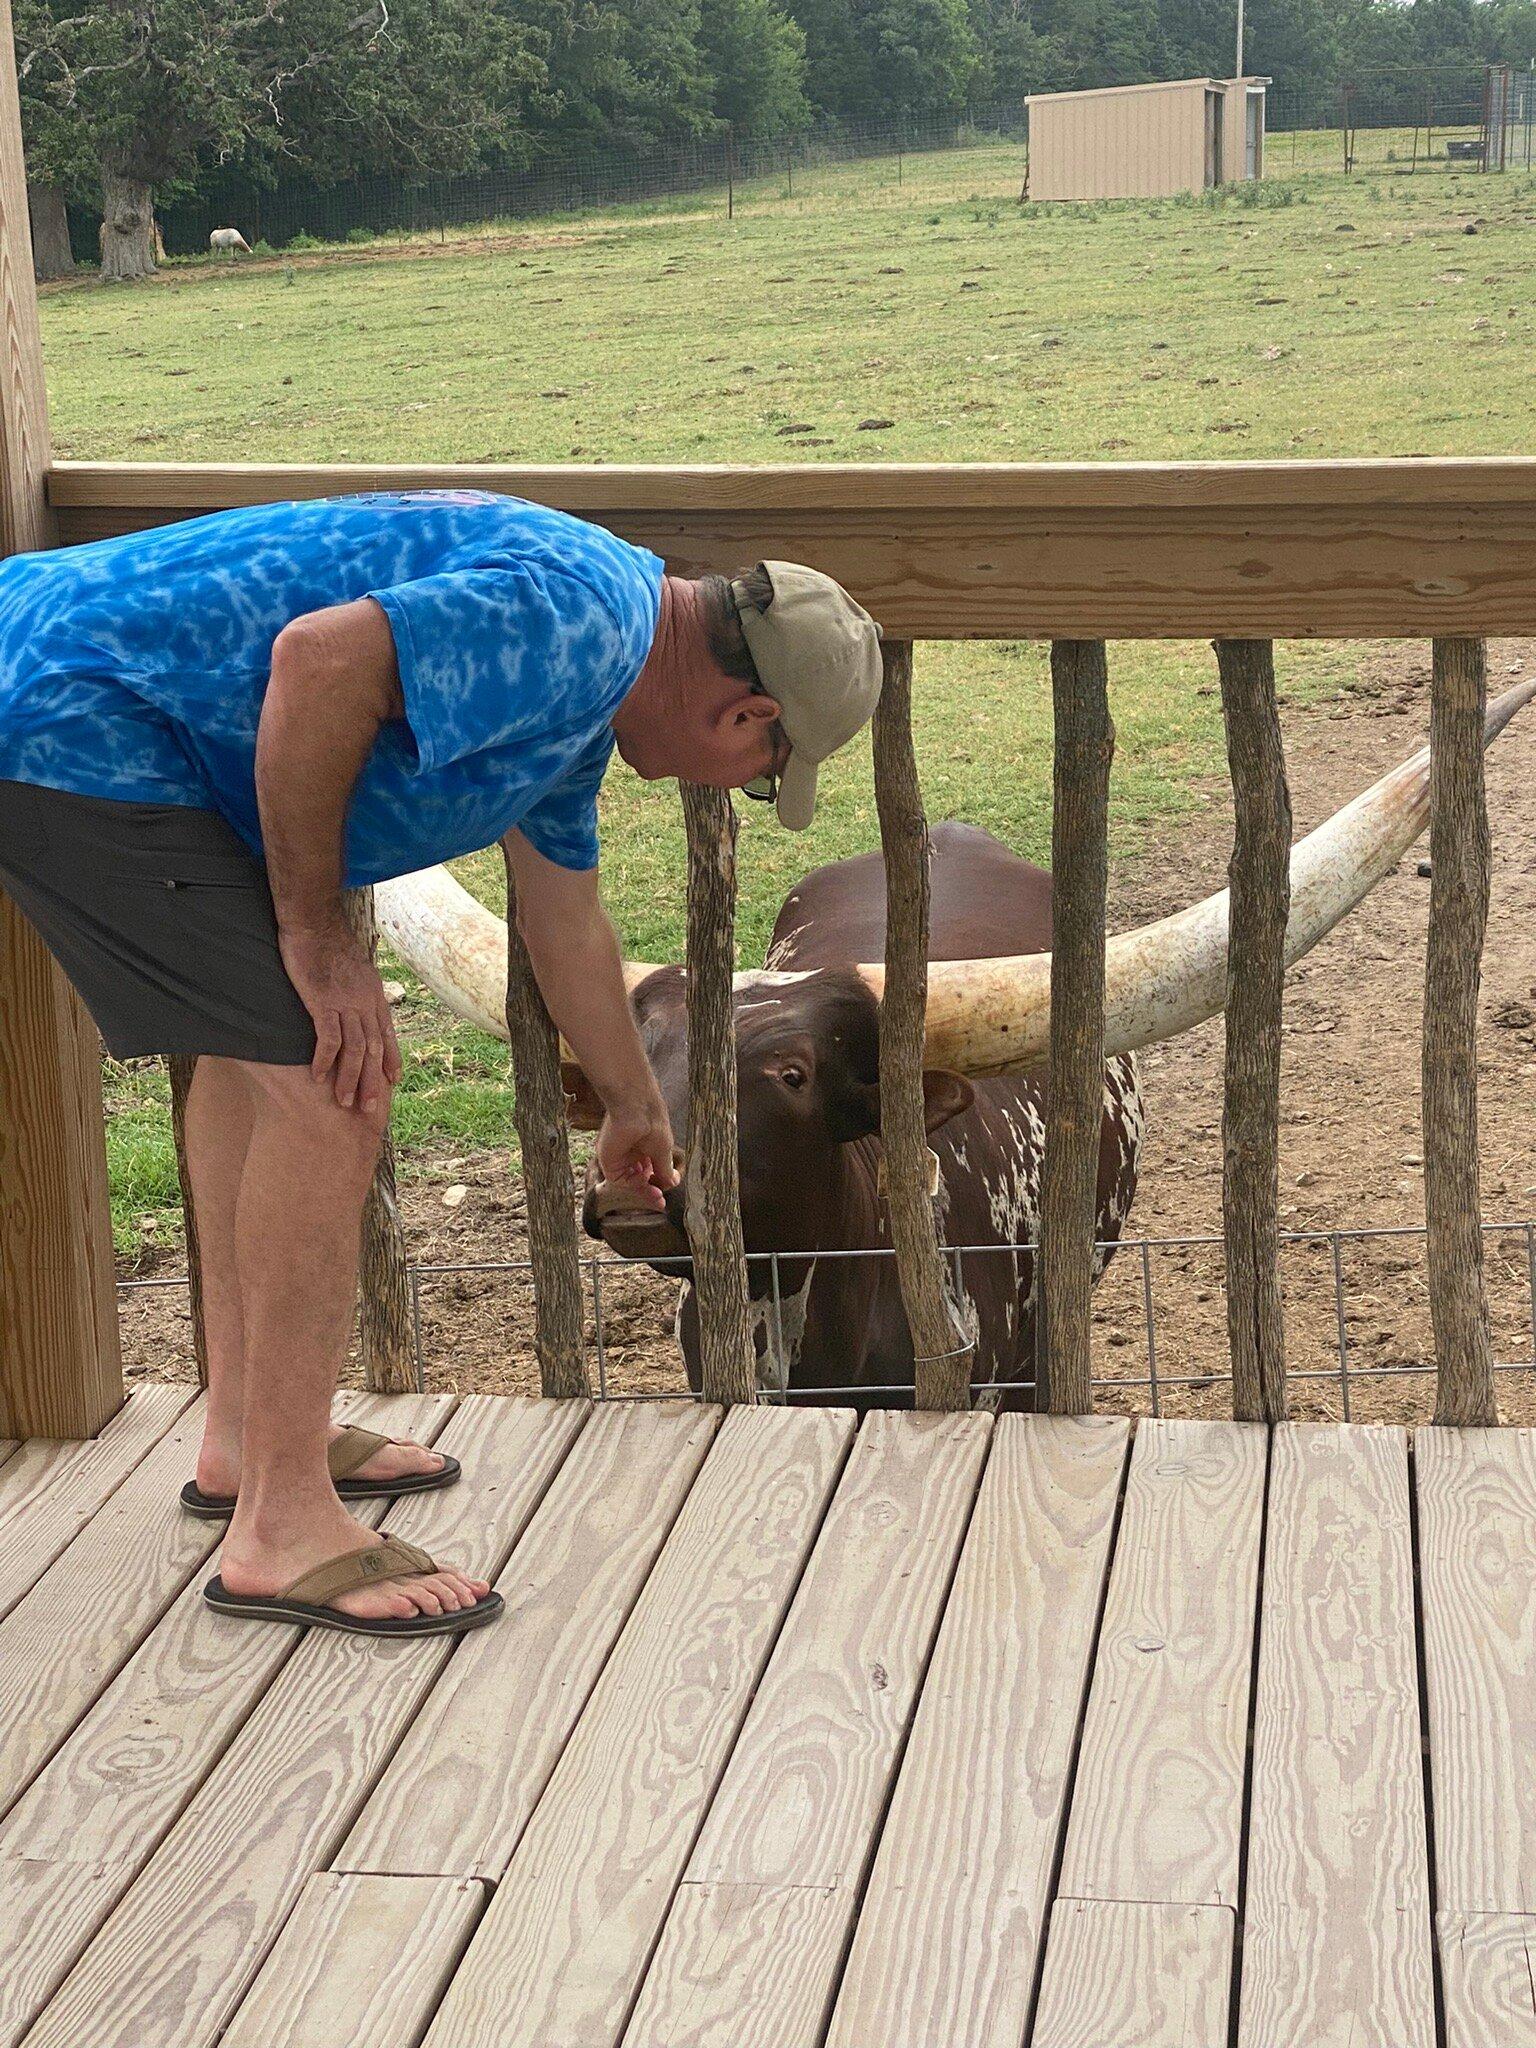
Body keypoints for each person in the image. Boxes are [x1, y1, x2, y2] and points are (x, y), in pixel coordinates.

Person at [0, 490, 883, 1637]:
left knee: (249, 1065)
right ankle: (282, 1527)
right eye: (766, 769)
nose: (736, 789)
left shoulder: (587, 684)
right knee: (332, 1089)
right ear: (746, 713)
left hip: (94, 707)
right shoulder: (587, 617)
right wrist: (318, 938)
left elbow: (568, 922)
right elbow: (319, 661)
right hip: (70, 714)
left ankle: (246, 1439)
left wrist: (629, 1104)